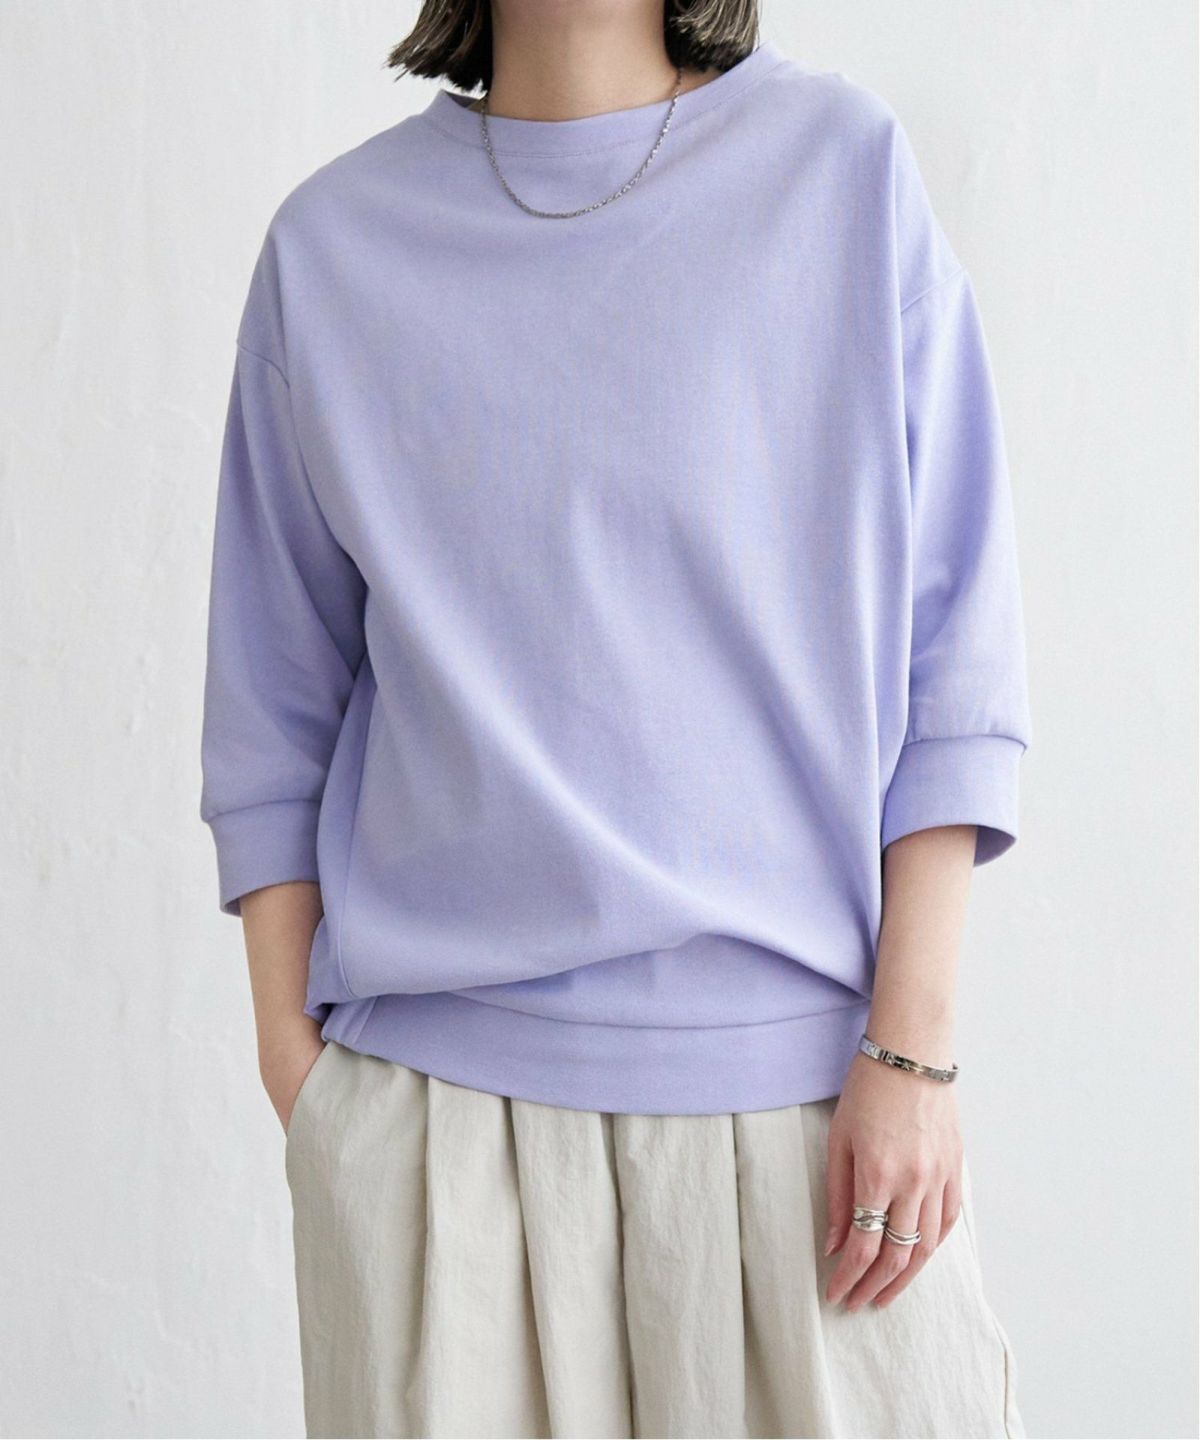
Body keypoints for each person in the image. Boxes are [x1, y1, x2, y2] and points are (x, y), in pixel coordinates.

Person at [199, 1, 1032, 1435]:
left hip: (815, 1125)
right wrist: (305, 1077)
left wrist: (912, 1050)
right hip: (435, 1135)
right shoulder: (331, 250)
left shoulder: (840, 174)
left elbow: (953, 658)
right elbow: (274, 700)